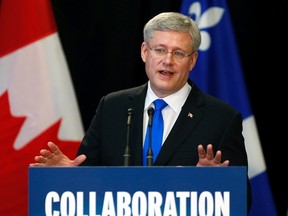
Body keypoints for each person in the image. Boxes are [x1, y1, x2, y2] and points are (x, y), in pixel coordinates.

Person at [30, 11, 251, 212]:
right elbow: (91, 184)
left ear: (192, 60)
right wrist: (69, 177)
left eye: (179, 53)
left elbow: (244, 201)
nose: (168, 60)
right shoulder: (112, 107)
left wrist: (219, 183)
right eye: (160, 50)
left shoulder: (221, 118)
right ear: (145, 52)